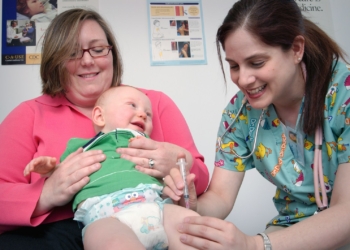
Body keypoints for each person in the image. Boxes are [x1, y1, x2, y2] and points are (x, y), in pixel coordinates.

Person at [0, 8, 209, 249]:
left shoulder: (152, 103)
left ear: (112, 54)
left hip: (155, 213)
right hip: (59, 233)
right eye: (72, 52)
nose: (87, 60)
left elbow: (201, 181)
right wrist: (45, 194)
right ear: (55, 60)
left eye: (98, 49)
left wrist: (180, 163)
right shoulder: (29, 114)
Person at [163, 0, 350, 249]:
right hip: (288, 231)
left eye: (257, 63)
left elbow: (346, 210)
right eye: (234, 66)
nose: (243, 79)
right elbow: (220, 196)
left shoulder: (343, 94)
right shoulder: (239, 113)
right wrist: (192, 204)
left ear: (296, 49)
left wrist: (254, 245)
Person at [23, 85, 200, 250]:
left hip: (156, 206)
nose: (143, 114)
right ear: (100, 116)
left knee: (191, 226)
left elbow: (170, 174)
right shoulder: (81, 147)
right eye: (132, 105)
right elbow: (65, 175)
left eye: (148, 113)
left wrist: (177, 171)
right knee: (111, 242)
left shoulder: (152, 147)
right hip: (105, 215)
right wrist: (50, 170)